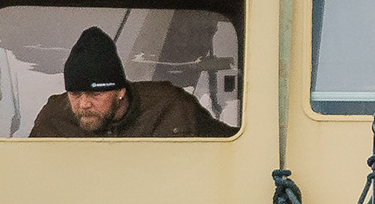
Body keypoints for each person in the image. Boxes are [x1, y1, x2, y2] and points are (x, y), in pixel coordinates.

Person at [28, 25, 227, 139]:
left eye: (95, 93)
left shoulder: (172, 107)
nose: (84, 104)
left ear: (120, 91)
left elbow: (229, 149)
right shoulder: (53, 119)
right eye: (75, 94)